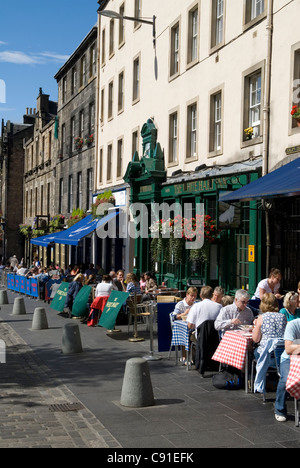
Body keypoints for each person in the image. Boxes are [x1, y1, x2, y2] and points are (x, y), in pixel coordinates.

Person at [274, 318, 300, 422]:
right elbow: (288, 349)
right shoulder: (293, 325)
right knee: (286, 379)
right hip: (288, 358)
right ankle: (279, 409)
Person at [252, 293, 287, 358]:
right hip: (280, 353)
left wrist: (256, 326)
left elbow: (256, 339)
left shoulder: (262, 317)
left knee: (254, 352)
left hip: (266, 354)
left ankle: (256, 368)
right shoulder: (283, 317)